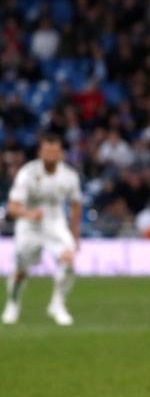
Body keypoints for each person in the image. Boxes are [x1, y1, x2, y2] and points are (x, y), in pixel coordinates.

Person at [3, 134, 81, 326]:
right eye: (47, 151)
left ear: (61, 153)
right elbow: (12, 208)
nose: (51, 155)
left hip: (55, 223)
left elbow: (76, 205)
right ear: (40, 152)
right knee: (21, 270)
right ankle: (13, 302)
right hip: (29, 225)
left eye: (55, 151)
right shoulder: (27, 173)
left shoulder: (69, 176)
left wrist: (75, 236)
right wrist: (29, 214)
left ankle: (57, 303)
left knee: (69, 259)